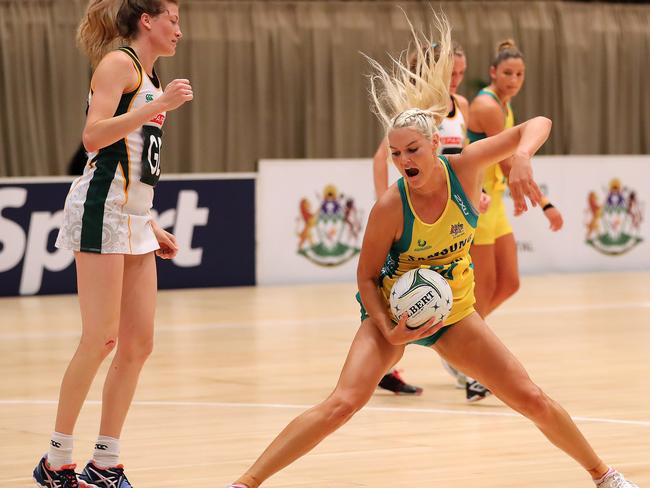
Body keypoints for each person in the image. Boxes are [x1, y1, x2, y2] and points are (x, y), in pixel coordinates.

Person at [226, 13, 638, 488]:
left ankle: (604, 476)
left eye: (412, 151)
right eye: (396, 154)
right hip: (391, 312)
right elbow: (364, 278)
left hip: (454, 312)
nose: (403, 162)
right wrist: (389, 329)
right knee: (341, 403)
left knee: (531, 398)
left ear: (434, 146)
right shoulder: (390, 206)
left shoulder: (464, 169)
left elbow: (539, 122)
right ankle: (245, 483)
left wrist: (521, 158)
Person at [32, 1, 192, 487]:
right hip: (99, 209)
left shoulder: (148, 78)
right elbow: (93, 137)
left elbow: (135, 164)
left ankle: (105, 462)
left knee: (139, 344)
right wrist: (157, 106)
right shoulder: (120, 64)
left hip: (132, 217)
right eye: (174, 19)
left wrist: (150, 222)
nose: (179, 31)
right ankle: (56, 459)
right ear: (147, 20)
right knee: (100, 338)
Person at [372, 39, 485, 399]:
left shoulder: (462, 105)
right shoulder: (419, 108)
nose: (456, 80)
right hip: (415, 212)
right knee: (404, 292)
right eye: (451, 72)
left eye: (462, 74)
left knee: (458, 289)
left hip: (452, 208)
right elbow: (382, 158)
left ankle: (463, 365)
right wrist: (388, 205)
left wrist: (472, 192)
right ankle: (456, 369)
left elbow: (463, 158)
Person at [467, 39, 564, 321]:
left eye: (519, 74)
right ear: (493, 72)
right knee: (482, 290)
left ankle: (461, 337)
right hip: (478, 203)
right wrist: (546, 204)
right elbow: (510, 167)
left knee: (510, 283)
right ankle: (466, 352)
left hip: (495, 203)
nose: (514, 80)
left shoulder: (505, 107)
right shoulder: (487, 106)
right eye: (508, 73)